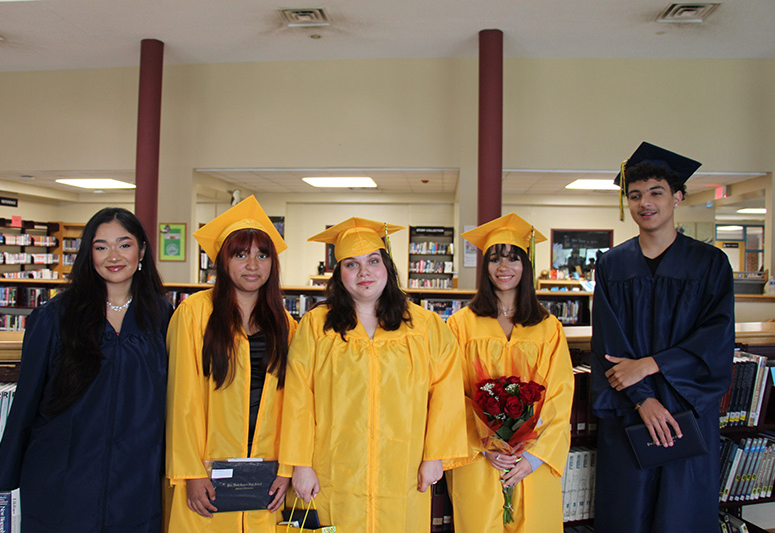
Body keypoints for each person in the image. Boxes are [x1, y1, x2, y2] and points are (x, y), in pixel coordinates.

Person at [279, 217, 468, 533]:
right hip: (331, 472)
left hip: (403, 470)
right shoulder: (315, 326)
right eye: (351, 264)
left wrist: (435, 456)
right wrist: (300, 464)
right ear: (339, 275)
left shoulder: (426, 327)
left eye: (373, 261)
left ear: (388, 268)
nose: (364, 272)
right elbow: (298, 398)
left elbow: (446, 394)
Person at [0, 207, 172, 532]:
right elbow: (27, 398)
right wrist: (7, 472)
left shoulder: (163, 317)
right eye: (101, 247)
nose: (112, 256)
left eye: (124, 244)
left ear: (142, 250)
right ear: (88, 253)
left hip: (137, 476)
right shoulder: (55, 316)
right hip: (64, 473)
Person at [590, 142, 735, 533]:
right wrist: (643, 400)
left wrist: (652, 365)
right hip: (629, 409)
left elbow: (716, 336)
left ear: (678, 197)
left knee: (682, 514)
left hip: (686, 407)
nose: (645, 203)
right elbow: (608, 341)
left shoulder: (710, 264)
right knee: (626, 512)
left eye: (656, 192)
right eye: (635, 195)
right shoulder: (611, 264)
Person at [166, 195, 297, 532]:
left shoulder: (286, 324)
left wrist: (287, 469)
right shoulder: (195, 314)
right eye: (241, 254)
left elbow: (294, 405)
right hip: (207, 473)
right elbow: (182, 399)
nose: (252, 265)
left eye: (262, 255)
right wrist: (190, 471)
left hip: (266, 477)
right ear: (222, 261)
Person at [445, 213, 574, 533]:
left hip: (532, 458)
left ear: (526, 266)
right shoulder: (461, 324)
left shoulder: (549, 327)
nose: (504, 267)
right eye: (495, 259)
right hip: (478, 457)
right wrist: (485, 443)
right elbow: (449, 392)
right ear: (484, 267)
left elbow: (561, 393)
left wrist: (534, 456)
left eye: (513, 258)